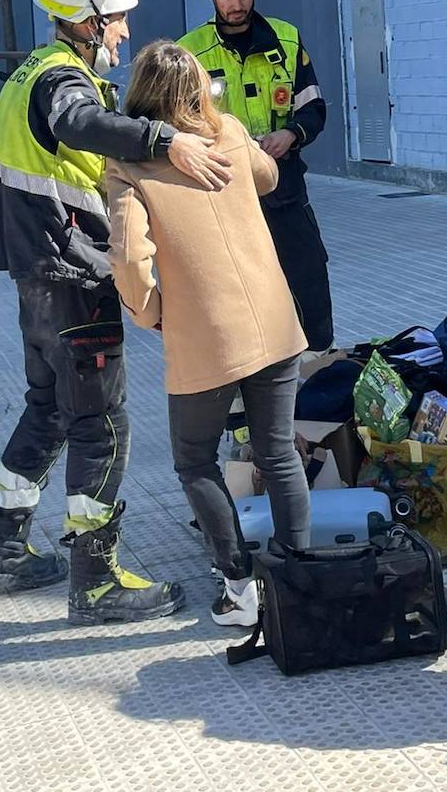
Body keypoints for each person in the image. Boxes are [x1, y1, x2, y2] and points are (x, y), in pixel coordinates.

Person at [0, 0, 233, 626]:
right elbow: (74, 123)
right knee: (104, 426)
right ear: (85, 17)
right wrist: (163, 139)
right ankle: (95, 582)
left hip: (38, 278)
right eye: (114, 19)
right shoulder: (61, 80)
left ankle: (1, 553)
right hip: (70, 278)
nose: (119, 32)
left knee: (49, 413)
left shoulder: (30, 71)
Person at [107, 41, 309, 628]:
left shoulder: (126, 164)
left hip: (203, 332)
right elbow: (269, 177)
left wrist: (150, 312)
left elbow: (126, 253)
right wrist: (234, 139)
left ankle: (241, 589)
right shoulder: (228, 132)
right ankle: (295, 579)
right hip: (273, 319)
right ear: (199, 88)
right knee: (276, 451)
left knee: (195, 460)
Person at [179, 0, 333, 351]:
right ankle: (247, 392)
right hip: (223, 194)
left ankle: (316, 371)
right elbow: (175, 128)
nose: (236, 4)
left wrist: (292, 134)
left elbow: (314, 109)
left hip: (284, 190)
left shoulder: (286, 40)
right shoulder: (189, 52)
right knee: (237, 295)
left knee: (308, 279)